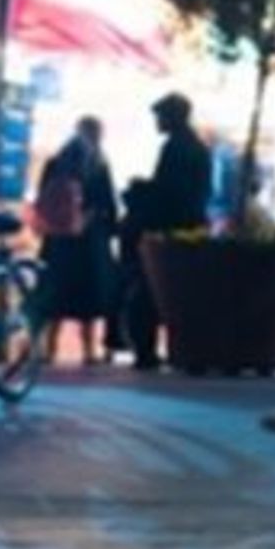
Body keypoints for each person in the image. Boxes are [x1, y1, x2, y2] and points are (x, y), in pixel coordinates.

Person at [128, 91, 212, 371]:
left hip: (168, 230)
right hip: (191, 227)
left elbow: (167, 191)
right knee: (181, 294)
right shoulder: (197, 147)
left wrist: (138, 190)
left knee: (149, 291)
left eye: (159, 117)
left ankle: (146, 351)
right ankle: (182, 351)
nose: (157, 123)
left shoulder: (175, 148)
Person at [35, 116, 117, 366]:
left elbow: (43, 200)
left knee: (54, 295)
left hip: (58, 239)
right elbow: (108, 205)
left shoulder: (55, 162)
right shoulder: (99, 165)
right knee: (88, 299)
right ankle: (89, 350)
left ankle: (48, 348)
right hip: (88, 240)